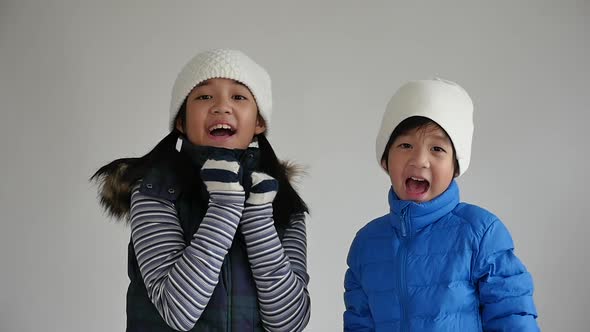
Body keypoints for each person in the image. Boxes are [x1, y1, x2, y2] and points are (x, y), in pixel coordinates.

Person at [92, 49, 310, 331]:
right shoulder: (155, 191)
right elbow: (177, 310)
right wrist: (225, 207)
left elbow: (288, 323)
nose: (221, 106)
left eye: (239, 96)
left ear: (259, 122)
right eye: (204, 96)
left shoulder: (279, 201)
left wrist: (258, 221)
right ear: (181, 121)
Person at [343, 78, 539, 331]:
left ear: (456, 165)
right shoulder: (367, 243)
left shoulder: (480, 233)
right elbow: (359, 323)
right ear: (385, 159)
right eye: (405, 145)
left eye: (437, 148)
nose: (420, 160)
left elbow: (512, 318)